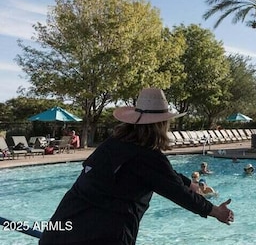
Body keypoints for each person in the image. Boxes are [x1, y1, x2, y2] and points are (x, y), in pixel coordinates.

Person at [39, 88, 233, 245]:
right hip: (102, 234)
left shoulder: (113, 143)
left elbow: (161, 174)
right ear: (162, 124)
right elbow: (177, 192)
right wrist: (217, 212)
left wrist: (187, 183)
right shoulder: (148, 157)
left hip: (61, 229)